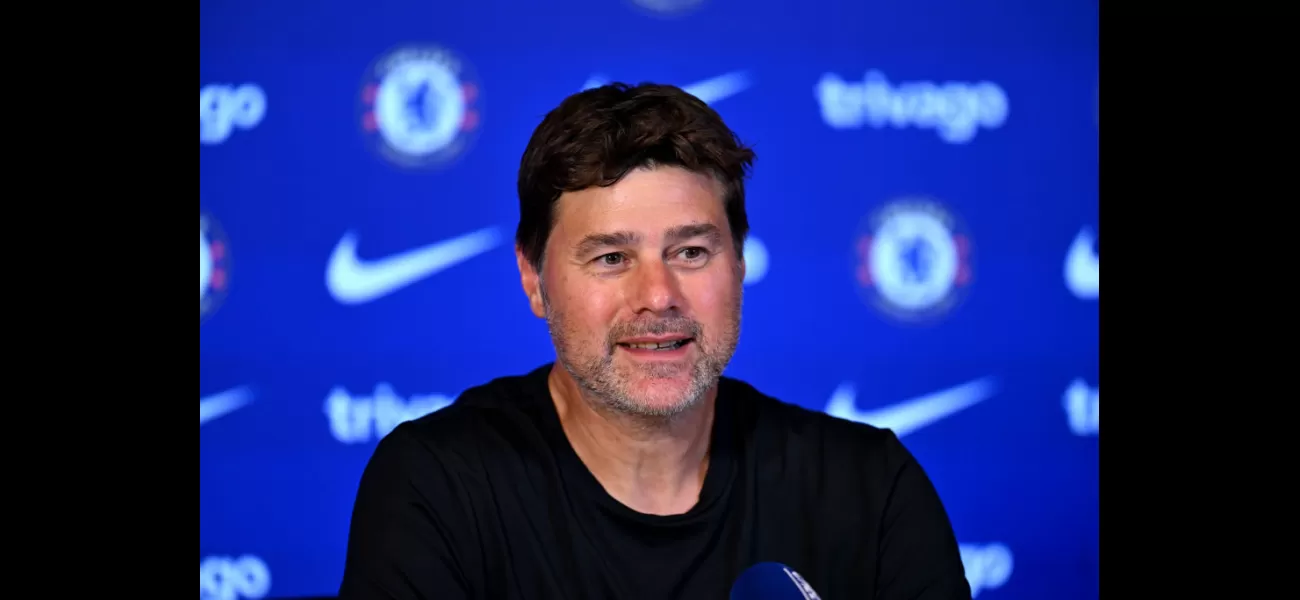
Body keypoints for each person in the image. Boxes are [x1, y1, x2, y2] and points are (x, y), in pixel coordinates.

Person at [337, 82, 972, 600]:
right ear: (534, 279)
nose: (659, 295)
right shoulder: (439, 486)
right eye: (611, 258)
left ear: (739, 264)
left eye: (691, 251)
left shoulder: (868, 489)